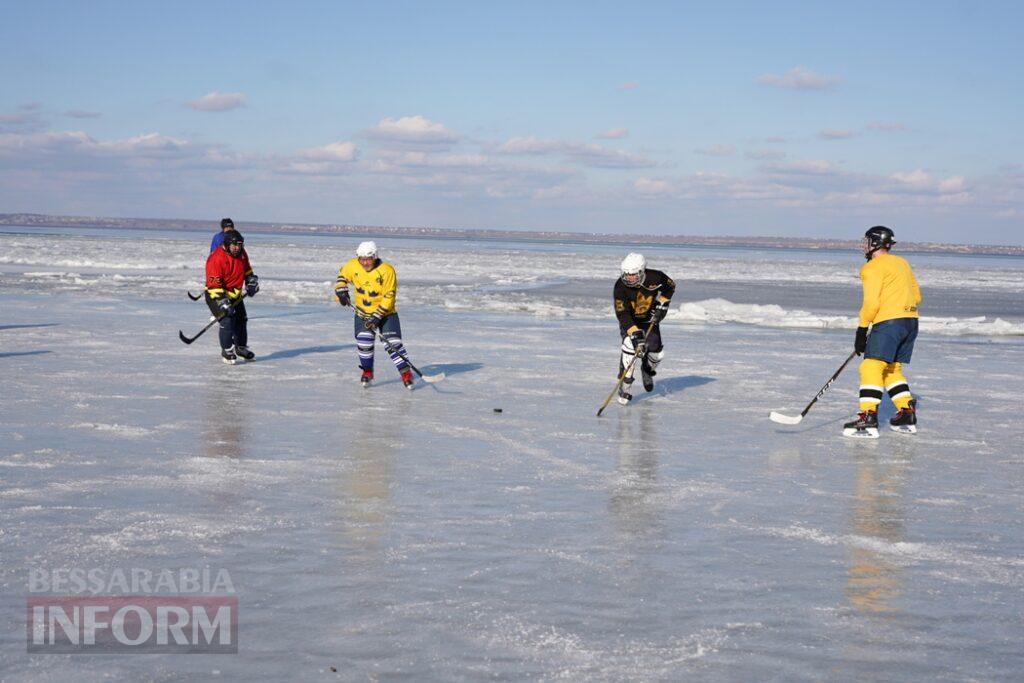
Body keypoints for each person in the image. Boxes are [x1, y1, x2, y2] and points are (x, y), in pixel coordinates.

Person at [843, 226, 921, 438]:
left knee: (870, 367)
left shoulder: (871, 268)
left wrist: (862, 329)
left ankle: (867, 417)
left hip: (889, 323)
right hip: (911, 321)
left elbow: (871, 303)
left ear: (875, 243)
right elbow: (917, 295)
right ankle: (906, 413)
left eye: (867, 241)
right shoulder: (902, 263)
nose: (864, 245)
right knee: (892, 369)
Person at [334, 241, 414, 389]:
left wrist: (377, 316)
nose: (365, 262)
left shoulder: (387, 271)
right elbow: (342, 276)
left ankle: (406, 373)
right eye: (362, 259)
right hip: (362, 313)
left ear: (375, 257)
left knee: (393, 344)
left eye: (368, 259)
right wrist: (341, 290)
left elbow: (390, 296)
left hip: (386, 314)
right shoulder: (352, 265)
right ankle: (367, 372)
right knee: (364, 342)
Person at [613, 253, 675, 404]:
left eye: (633, 275)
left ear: (642, 272)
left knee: (657, 354)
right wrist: (634, 334)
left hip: (648, 319)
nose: (629, 278)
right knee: (630, 347)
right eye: (626, 274)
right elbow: (622, 314)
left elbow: (670, 286)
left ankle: (646, 370)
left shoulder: (656, 277)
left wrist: (662, 304)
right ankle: (625, 385)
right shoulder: (620, 287)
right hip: (630, 321)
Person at [205, 230, 259, 364]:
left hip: (234, 294)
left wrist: (251, 282)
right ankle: (227, 350)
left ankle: (240, 347)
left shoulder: (242, 254)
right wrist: (223, 302)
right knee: (227, 320)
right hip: (215, 295)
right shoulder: (216, 258)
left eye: (240, 245)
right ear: (227, 244)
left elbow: (247, 271)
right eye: (234, 245)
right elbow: (213, 285)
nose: (237, 248)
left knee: (241, 319)